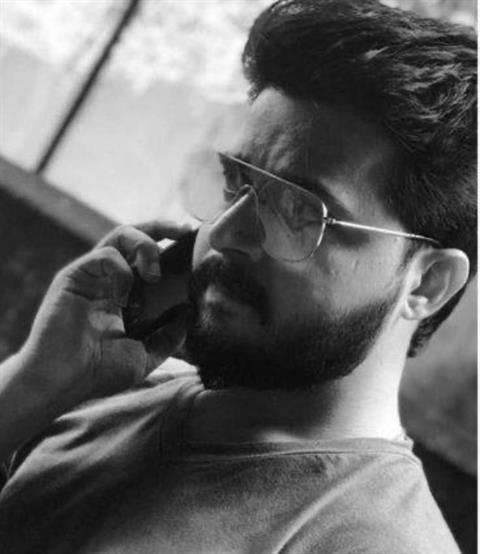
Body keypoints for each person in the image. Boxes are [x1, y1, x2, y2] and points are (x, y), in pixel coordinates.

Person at [0, 0, 476, 552]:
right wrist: (33, 384)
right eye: (236, 181)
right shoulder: (99, 389)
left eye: (297, 211)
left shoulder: (375, 541)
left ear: (426, 284)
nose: (225, 233)